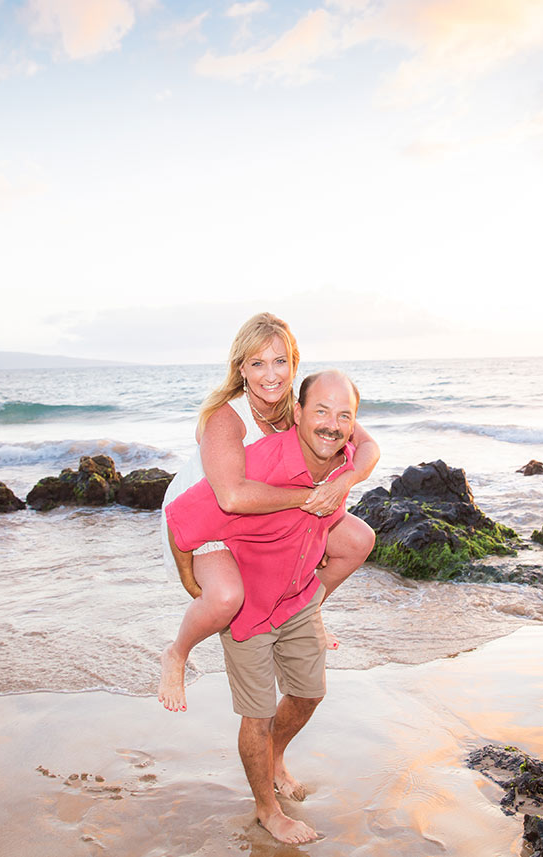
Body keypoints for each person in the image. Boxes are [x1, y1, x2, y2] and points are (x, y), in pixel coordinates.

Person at [164, 370, 364, 845]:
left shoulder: (343, 461)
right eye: (320, 411)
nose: (332, 425)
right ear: (297, 414)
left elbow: (364, 455)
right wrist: (190, 577)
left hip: (294, 597)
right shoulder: (259, 465)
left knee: (309, 693)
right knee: (256, 715)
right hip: (249, 605)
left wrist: (351, 475)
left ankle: (273, 758)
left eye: (343, 416)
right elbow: (183, 517)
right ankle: (266, 810)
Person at [157, 313, 379, 712]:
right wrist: (309, 498)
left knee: (358, 540)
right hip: (206, 520)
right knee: (226, 596)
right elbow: (231, 497)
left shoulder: (304, 408)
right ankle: (176, 652)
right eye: (257, 363)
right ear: (241, 368)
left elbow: (367, 447)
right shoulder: (226, 417)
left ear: (294, 364)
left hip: (272, 512)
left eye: (280, 361)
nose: (270, 374)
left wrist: (341, 485)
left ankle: (307, 607)